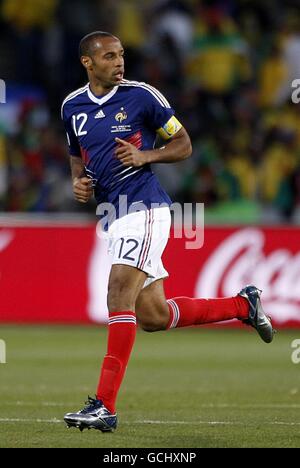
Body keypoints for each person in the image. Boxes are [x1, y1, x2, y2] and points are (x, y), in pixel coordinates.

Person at [61, 31, 274, 434]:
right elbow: (77, 155)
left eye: (122, 55)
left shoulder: (143, 96)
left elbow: (183, 144)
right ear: (88, 63)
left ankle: (104, 405)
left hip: (144, 208)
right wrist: (79, 183)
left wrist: (145, 154)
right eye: (109, 57)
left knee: (117, 294)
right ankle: (243, 306)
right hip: (111, 215)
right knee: (153, 316)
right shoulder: (73, 106)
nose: (119, 62)